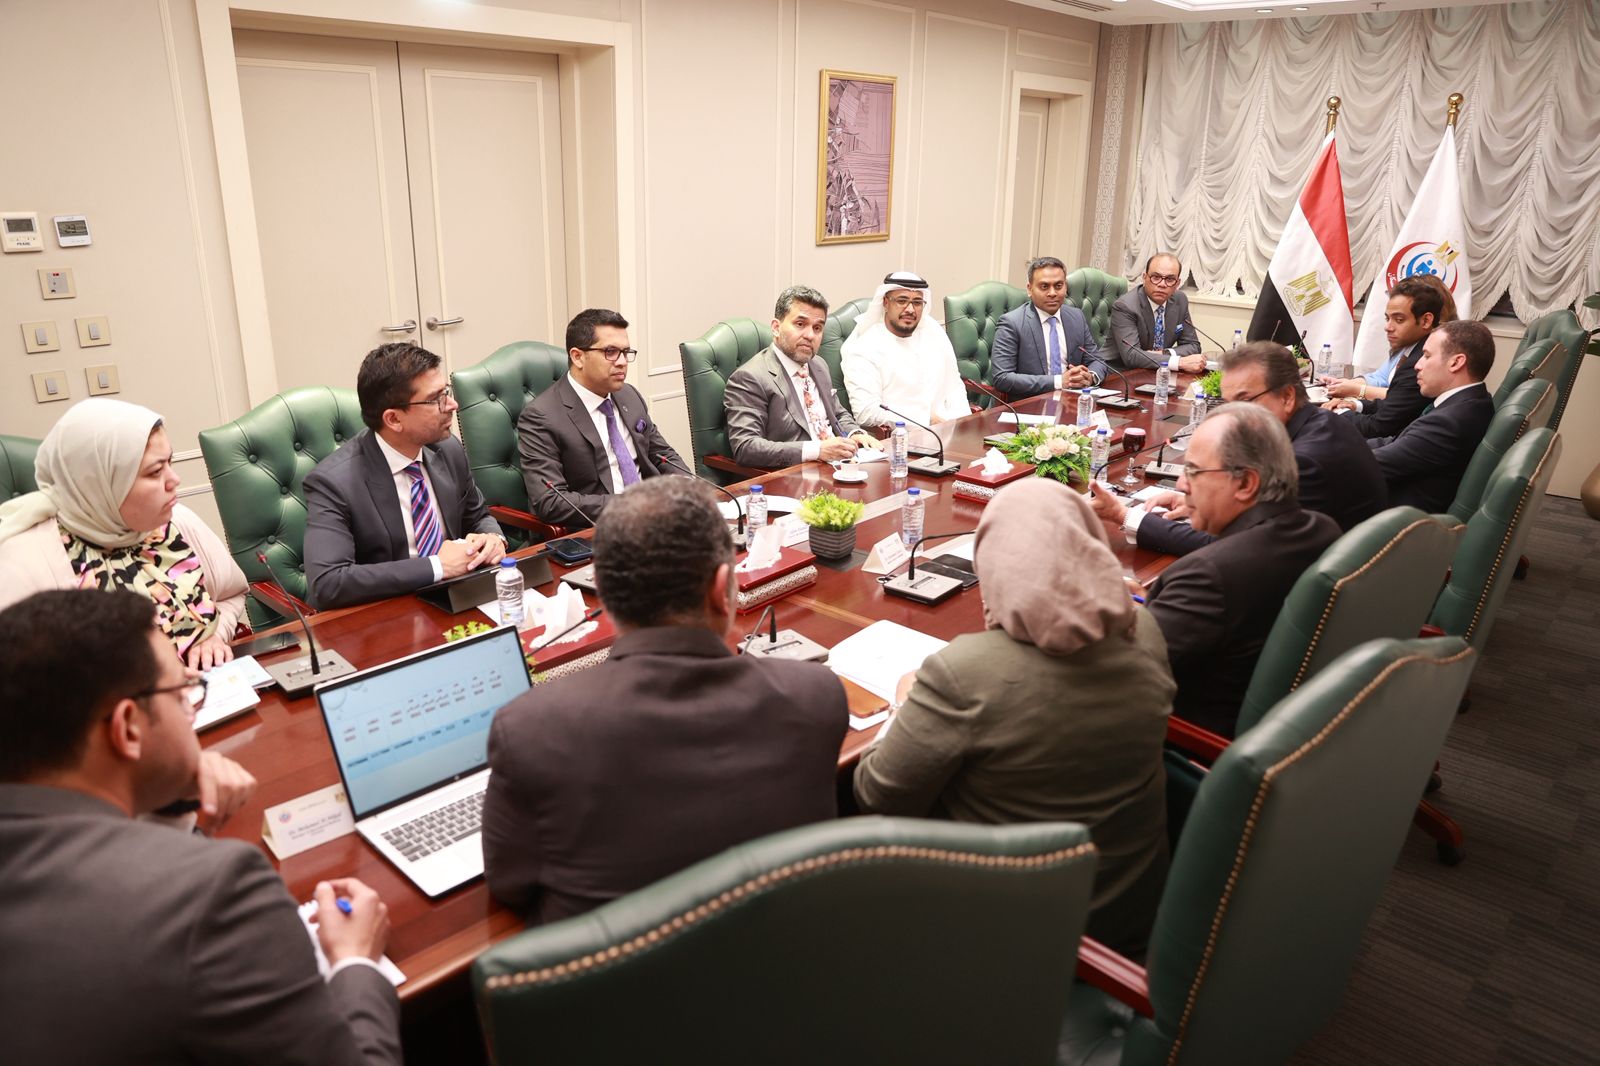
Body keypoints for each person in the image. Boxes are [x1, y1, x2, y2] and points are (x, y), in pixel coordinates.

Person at [0, 589, 400, 1065]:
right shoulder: (214, 892)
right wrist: (355, 962)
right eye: (182, 693)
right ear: (128, 728)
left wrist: (166, 799)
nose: (191, 705)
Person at [482, 477, 849, 924]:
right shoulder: (816, 696)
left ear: (603, 595)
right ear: (723, 588)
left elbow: (510, 884)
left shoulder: (530, 728)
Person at [854, 478, 1175, 956]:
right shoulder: (1144, 627)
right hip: (1129, 912)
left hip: (1011, 936)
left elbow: (875, 796)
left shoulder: (964, 673)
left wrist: (905, 703)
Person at [1130, 403, 1341, 738]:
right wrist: (1157, 603)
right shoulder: (1321, 529)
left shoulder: (1207, 576)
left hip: (1188, 742)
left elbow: (1120, 671)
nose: (1182, 484)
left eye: (1194, 471)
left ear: (1245, 483)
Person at [0, 397, 246, 670]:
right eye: (155, 471)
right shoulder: (25, 564)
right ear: (100, 484)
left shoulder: (175, 521)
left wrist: (213, 637)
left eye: (170, 462)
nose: (174, 480)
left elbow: (230, 595)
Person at [1090, 341, 1385, 556]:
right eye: (1228, 404)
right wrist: (1197, 500)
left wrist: (1124, 515)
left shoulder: (1305, 461)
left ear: (1286, 397)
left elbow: (1229, 546)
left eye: (1244, 401)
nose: (1232, 416)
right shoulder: (1317, 424)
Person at [304, 341, 506, 609]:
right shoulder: (334, 482)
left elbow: (477, 516)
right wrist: (437, 566)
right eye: (436, 399)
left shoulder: (448, 449)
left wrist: (493, 538)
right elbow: (329, 582)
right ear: (394, 419)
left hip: (458, 599)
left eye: (446, 392)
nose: (453, 404)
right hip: (386, 611)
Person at [517, 308, 686, 528]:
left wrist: (686, 485)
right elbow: (551, 501)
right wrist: (633, 505)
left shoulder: (629, 395)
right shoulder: (541, 416)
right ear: (577, 357)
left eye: (626, 352)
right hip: (599, 529)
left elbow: (662, 454)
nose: (622, 362)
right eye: (610, 352)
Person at [724, 285, 878, 468]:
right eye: (800, 324)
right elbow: (746, 447)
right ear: (776, 328)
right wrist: (817, 450)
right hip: (795, 474)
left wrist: (854, 433)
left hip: (839, 466)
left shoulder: (818, 365)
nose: (810, 335)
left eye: (817, 328)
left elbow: (837, 412)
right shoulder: (750, 378)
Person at [1369, 320, 1497, 513]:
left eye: (1427, 356)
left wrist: (1325, 450)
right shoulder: (1474, 401)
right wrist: (1343, 441)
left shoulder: (1449, 422)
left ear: (1456, 362)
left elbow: (1371, 466)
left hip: (1390, 516)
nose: (1417, 365)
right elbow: (1394, 443)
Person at [841, 271, 970, 432]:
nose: (910, 309)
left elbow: (954, 386)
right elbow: (865, 412)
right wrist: (925, 420)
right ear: (885, 302)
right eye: (902, 301)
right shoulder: (864, 348)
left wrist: (963, 424)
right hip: (903, 437)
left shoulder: (933, 332)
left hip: (949, 430)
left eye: (917, 302)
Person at [1321, 276, 1443, 438]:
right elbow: (1392, 401)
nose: (1388, 327)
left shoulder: (1420, 363)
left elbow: (1380, 427)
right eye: (1387, 318)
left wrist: (1337, 412)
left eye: (1399, 320)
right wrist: (1354, 404)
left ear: (1426, 320)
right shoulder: (1409, 349)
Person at [989, 256, 1109, 398]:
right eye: (1044, 286)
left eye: (1058, 286)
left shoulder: (1076, 317)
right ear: (1029, 289)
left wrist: (1090, 377)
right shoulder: (1011, 323)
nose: (1052, 293)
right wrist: (1059, 382)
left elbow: (1097, 360)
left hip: (1072, 401)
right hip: (1030, 403)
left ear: (1066, 287)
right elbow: (1002, 377)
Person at [1110, 253, 1206, 373]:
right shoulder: (1126, 306)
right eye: (1156, 277)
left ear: (1177, 283)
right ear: (1144, 278)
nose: (1162, 284)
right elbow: (1132, 355)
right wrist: (1178, 362)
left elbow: (1193, 346)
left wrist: (1164, 353)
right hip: (1122, 373)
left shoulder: (1180, 300)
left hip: (1157, 372)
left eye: (1170, 279)